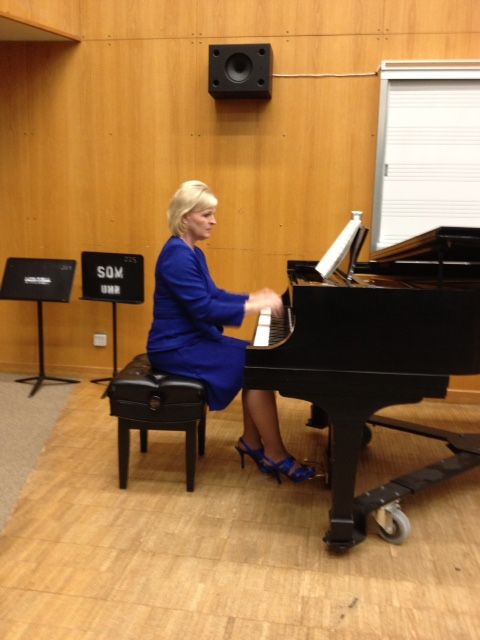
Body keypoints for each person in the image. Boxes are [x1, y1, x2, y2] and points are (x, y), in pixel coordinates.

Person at [147, 180, 315, 483]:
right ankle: (274, 453)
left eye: (213, 214)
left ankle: (251, 442)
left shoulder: (192, 253)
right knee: (257, 363)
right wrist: (254, 305)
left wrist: (252, 298)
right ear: (185, 217)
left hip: (192, 340)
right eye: (206, 215)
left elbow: (214, 295)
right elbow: (204, 309)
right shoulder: (176, 256)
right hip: (174, 348)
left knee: (257, 357)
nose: (214, 221)